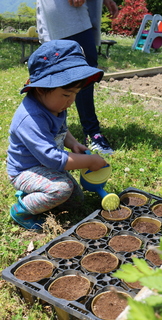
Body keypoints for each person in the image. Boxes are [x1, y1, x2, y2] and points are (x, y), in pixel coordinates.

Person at [7, 40, 108, 230]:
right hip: (25, 171)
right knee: (61, 189)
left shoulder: (55, 105)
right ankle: (22, 209)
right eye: (66, 94)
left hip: (46, 167)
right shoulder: (30, 119)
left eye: (76, 94)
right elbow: (52, 158)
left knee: (75, 200)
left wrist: (73, 144)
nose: (71, 101)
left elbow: (61, 128)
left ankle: (36, 196)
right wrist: (88, 161)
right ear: (41, 88)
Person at [36, 0, 118, 155]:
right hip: (66, 9)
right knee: (73, 66)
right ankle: (88, 132)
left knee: (81, 67)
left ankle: (57, 129)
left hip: (80, 8)